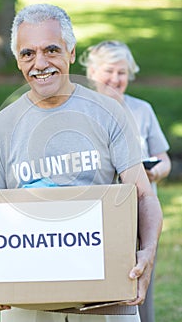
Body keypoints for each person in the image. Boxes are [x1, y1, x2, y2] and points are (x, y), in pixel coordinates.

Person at [0, 4, 163, 322]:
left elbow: (143, 195)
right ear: (17, 60)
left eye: (51, 50)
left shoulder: (110, 113)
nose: (40, 63)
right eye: (28, 54)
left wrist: (147, 250)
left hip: (104, 294)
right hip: (27, 298)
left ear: (70, 51)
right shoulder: (0, 126)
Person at [79, 40, 171, 322]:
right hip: (102, 211)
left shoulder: (142, 110)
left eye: (123, 73)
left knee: (140, 274)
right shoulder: (81, 109)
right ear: (92, 72)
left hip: (140, 210)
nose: (116, 79)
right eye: (109, 71)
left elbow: (164, 159)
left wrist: (154, 172)